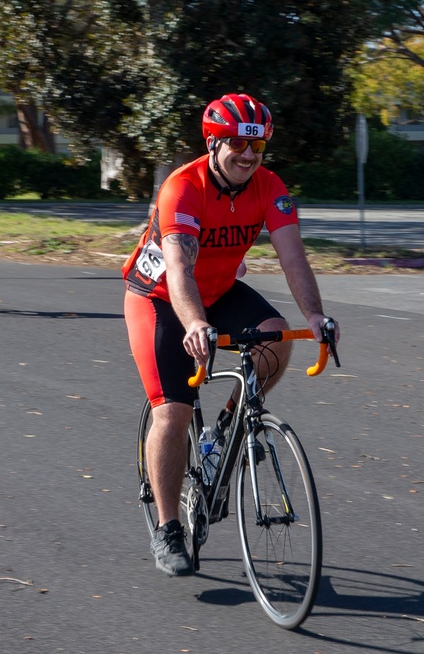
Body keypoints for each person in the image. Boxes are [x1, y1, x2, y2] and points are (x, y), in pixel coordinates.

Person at [122, 93, 336, 577]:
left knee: (279, 338)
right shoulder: (182, 187)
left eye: (257, 148)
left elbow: (293, 258)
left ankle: (223, 428)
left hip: (217, 290)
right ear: (214, 141)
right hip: (158, 297)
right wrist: (194, 323)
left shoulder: (269, 186)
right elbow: (177, 267)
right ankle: (169, 527)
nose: (248, 155)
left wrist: (318, 316)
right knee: (173, 412)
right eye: (238, 143)